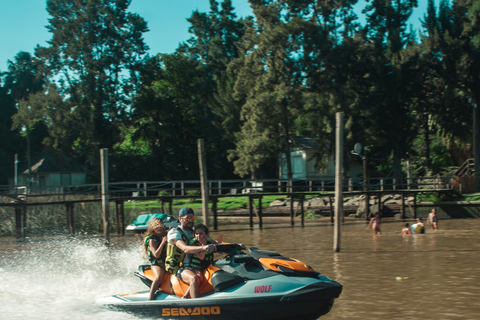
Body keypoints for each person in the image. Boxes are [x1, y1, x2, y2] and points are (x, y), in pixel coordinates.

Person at [165, 207, 216, 299]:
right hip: (178, 266)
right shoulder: (174, 232)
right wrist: (204, 247)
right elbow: (185, 249)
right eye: (188, 218)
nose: (191, 221)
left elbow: (211, 241)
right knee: (194, 278)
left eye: (192, 218)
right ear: (180, 219)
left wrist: (234, 246)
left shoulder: (194, 232)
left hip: (194, 265)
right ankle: (196, 305)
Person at [181, 224, 216, 299]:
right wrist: (203, 246)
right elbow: (201, 257)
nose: (198, 236)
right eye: (196, 234)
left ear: (206, 234)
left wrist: (236, 245)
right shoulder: (194, 244)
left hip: (208, 265)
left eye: (201, 234)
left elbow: (219, 245)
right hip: (197, 267)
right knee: (199, 277)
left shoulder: (209, 241)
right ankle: (186, 296)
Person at [143, 217, 168, 300]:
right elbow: (156, 254)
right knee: (158, 277)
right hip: (156, 264)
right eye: (157, 226)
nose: (159, 228)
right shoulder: (152, 240)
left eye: (161, 226)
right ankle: (150, 297)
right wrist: (163, 242)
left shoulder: (165, 236)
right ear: (153, 228)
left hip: (166, 263)